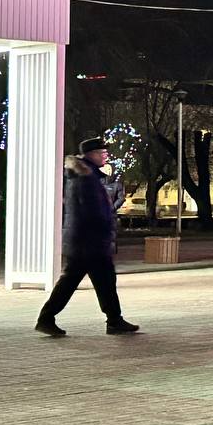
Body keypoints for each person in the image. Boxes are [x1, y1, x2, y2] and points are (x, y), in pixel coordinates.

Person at [35, 137, 138, 337]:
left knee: (100, 281)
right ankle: (47, 318)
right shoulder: (85, 178)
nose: (106, 156)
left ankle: (114, 320)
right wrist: (104, 229)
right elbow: (91, 211)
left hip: (86, 241)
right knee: (84, 281)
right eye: (102, 152)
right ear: (91, 154)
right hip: (88, 242)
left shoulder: (87, 176)